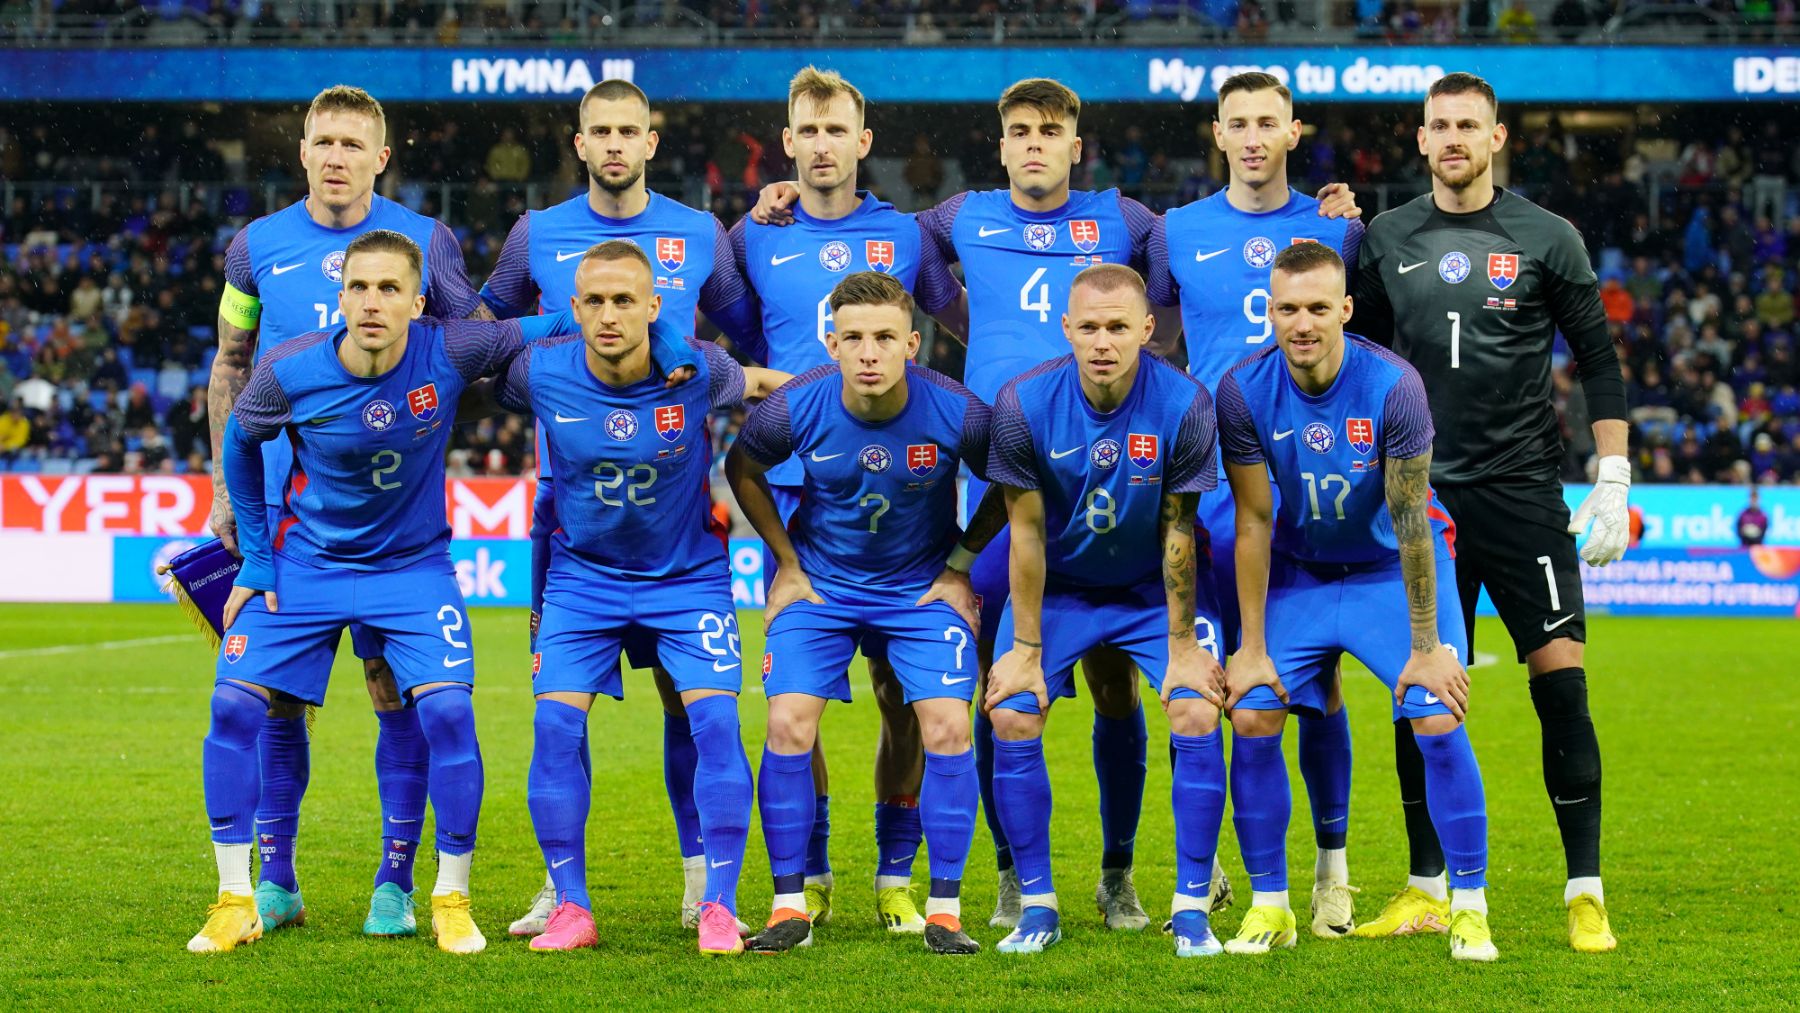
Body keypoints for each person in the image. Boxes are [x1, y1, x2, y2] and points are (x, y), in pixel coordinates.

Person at [753, 77, 1334, 931]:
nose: (1034, 143)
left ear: (1075, 144)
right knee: (996, 683)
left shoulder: (1132, 222)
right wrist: (789, 197)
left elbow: (1166, 308)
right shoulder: (953, 219)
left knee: (1123, 691)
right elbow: (900, 268)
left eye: (1049, 131)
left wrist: (1334, 213)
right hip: (1002, 483)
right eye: (1019, 130)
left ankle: (1120, 870)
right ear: (1000, 143)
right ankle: (1006, 874)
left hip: (1123, 479)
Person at [476, 77, 764, 937]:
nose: (612, 144)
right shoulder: (537, 233)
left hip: (678, 523)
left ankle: (699, 880)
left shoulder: (699, 230)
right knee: (558, 716)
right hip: (572, 518)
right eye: (598, 130)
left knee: (695, 709)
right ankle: (562, 890)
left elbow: (746, 335)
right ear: (578, 141)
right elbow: (483, 335)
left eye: (627, 130)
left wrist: (687, 342)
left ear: (650, 140)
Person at [190, 230, 527, 955]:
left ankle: (443, 895)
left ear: (418, 300)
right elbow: (242, 443)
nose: (372, 302)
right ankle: (237, 896)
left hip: (410, 568)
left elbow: (550, 326)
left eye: (388, 289)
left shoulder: (453, 347)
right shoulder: (289, 367)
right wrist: (254, 554)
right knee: (233, 702)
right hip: (304, 563)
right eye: (359, 287)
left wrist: (646, 333)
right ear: (340, 295)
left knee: (444, 708)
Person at [1353, 71, 1629, 953]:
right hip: (1420, 497)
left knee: (1562, 686)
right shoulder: (1385, 236)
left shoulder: (1548, 236)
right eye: (1439, 126)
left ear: (1497, 136)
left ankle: (1584, 888)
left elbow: (1599, 357)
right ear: (1422, 139)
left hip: (1522, 494)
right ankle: (1426, 887)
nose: (1453, 138)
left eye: (1469, 124)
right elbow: (1358, 358)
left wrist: (1614, 475)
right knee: (1421, 691)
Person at [209, 84, 485, 940]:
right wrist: (225, 491)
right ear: (301, 151)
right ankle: (276, 879)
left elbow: (467, 339)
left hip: (393, 519)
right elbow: (229, 361)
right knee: (277, 699)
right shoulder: (254, 250)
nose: (334, 156)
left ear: (380, 156)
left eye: (350, 144)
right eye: (321, 141)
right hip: (284, 518)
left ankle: (395, 882)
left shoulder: (428, 242)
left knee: (392, 690)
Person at [730, 66, 969, 932]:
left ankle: (895, 871)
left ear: (863, 144)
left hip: (904, 488)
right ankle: (815, 866)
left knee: (903, 696)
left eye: (838, 131)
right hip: (799, 491)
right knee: (800, 693)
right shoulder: (753, 233)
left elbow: (957, 319)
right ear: (787, 141)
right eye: (808, 131)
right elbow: (725, 329)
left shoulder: (904, 234)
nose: (823, 145)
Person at [1216, 241, 1496, 962]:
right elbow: (1252, 519)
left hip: (1387, 570)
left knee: (1435, 715)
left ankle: (1469, 904)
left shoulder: (1393, 385)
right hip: (1302, 570)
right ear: (1268, 312)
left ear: (1344, 309)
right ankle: (1270, 904)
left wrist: (1429, 647)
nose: (1301, 323)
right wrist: (1248, 645)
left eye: (1316, 308)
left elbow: (1410, 520)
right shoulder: (1242, 390)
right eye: (1287, 308)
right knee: (1251, 708)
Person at [1148, 70, 1365, 938]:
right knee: (1199, 680)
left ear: (1293, 132)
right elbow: (1150, 332)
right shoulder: (1174, 231)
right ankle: (1214, 873)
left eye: (1266, 122)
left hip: (1307, 488)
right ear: (1216, 133)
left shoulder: (1337, 226)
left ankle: (1332, 870)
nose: (1249, 135)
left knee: (1315, 687)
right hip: (1207, 493)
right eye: (1235, 122)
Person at [728, 271, 1001, 955]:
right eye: (853, 338)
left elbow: (1012, 478)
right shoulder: (794, 406)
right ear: (832, 343)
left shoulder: (958, 411)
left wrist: (960, 564)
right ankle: (793, 897)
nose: (870, 352)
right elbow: (743, 468)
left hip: (919, 591)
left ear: (914, 342)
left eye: (885, 337)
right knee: (788, 719)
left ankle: (934, 902)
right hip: (821, 587)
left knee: (944, 725)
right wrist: (787, 563)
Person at [981, 264, 1229, 957]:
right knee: (1010, 707)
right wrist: (1026, 648)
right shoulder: (1023, 402)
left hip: (1149, 590)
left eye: (1118, 326)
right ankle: (1036, 904)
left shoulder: (1186, 403)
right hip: (1061, 587)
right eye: (1088, 326)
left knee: (1195, 705)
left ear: (1148, 330)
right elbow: (1025, 534)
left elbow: (1180, 529)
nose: (1102, 341)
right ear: (1066, 329)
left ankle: (1181, 904)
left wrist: (1182, 644)